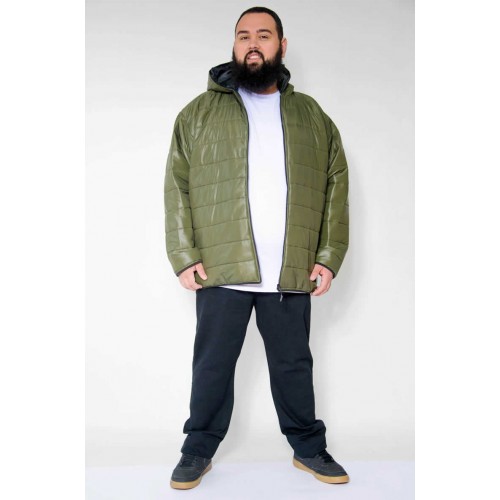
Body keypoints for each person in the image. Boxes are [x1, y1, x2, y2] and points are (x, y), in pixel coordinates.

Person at [164, 6, 349, 490]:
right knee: (212, 365)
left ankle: (308, 448)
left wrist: (328, 257)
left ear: (281, 46)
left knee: (294, 365)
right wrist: (184, 255)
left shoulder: (311, 116)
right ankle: (197, 449)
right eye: (243, 35)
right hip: (221, 266)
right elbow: (177, 186)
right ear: (234, 45)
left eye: (263, 35)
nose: (252, 43)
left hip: (291, 268)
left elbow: (336, 187)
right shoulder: (198, 114)